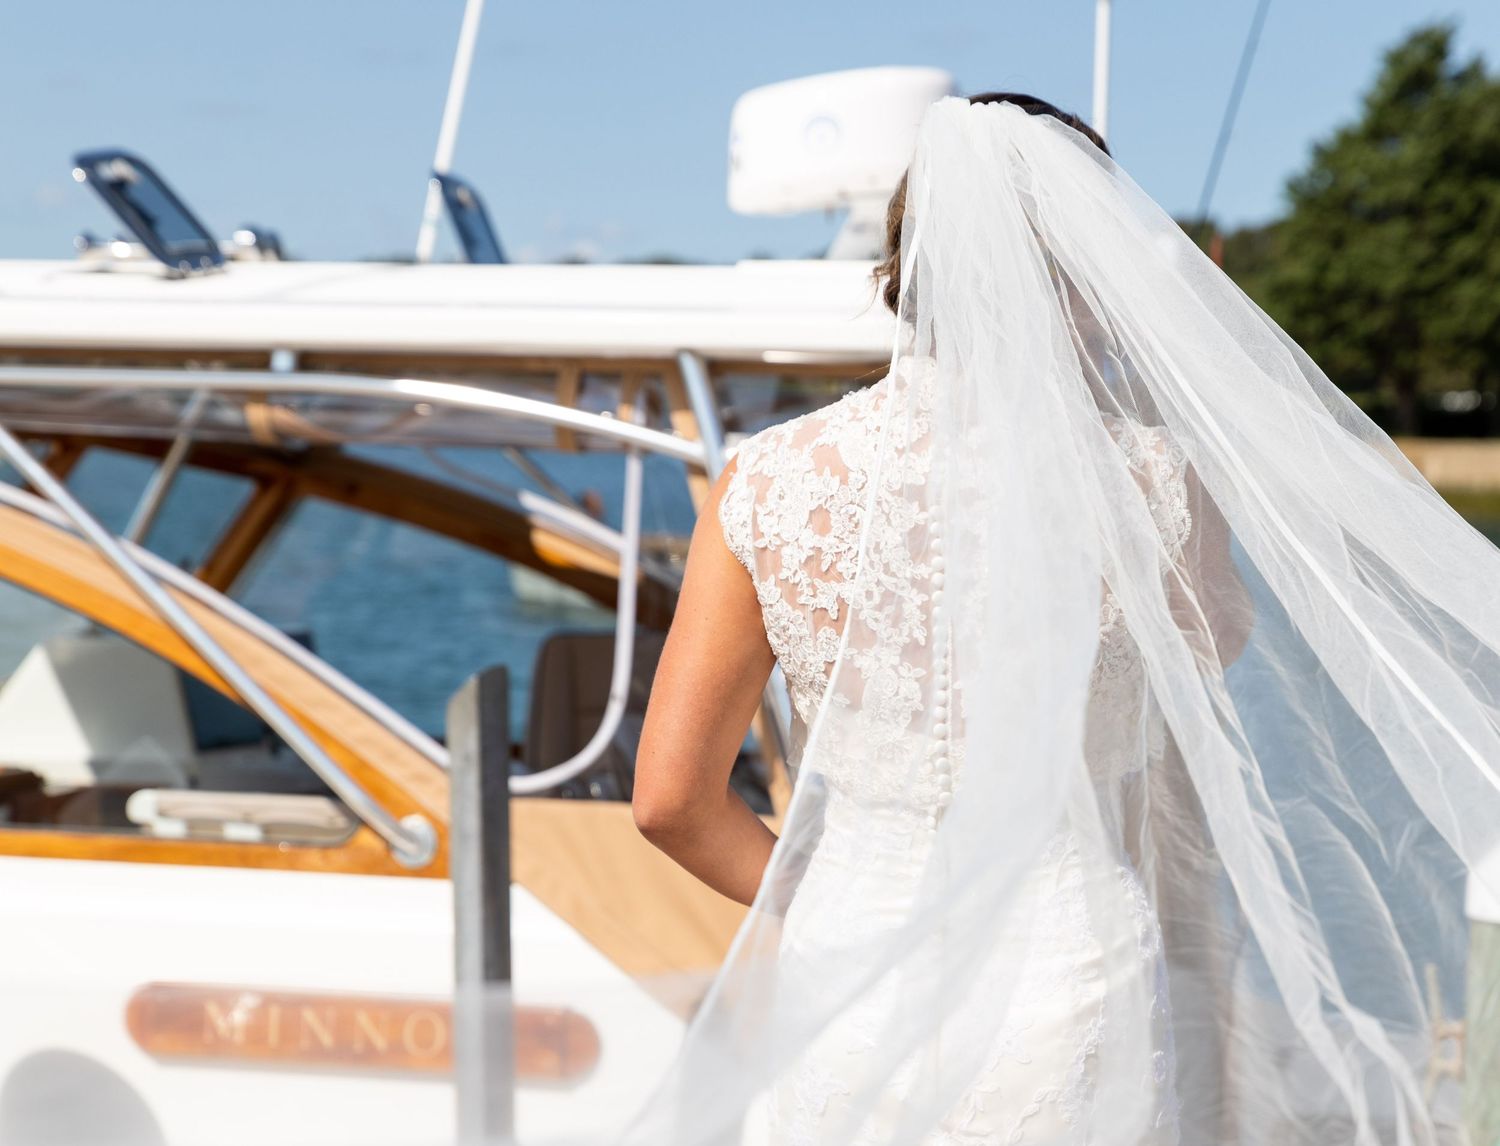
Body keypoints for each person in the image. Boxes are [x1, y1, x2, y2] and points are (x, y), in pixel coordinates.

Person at [626, 91, 1500, 1145]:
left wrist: (815, 905)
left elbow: (671, 801)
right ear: (1087, 270)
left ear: (904, 266)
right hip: (1067, 965)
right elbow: (1214, 656)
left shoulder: (766, 481)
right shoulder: (1155, 481)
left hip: (846, 963)